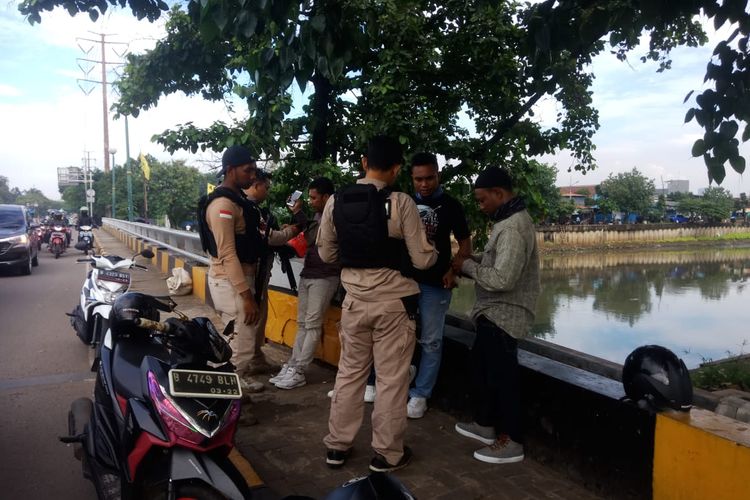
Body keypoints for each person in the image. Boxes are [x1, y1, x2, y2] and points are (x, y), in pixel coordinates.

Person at [318, 136, 437, 473]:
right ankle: (387, 454)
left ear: (363, 162)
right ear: (398, 168)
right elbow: (423, 260)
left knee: (349, 374)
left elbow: (327, 254)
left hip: (354, 302)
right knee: (391, 380)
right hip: (394, 307)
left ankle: (337, 447)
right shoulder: (401, 203)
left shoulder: (335, 202)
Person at [450, 166, 540, 464]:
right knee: (482, 372)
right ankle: (485, 425)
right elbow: (495, 262)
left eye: (481, 199)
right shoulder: (506, 221)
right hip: (491, 314)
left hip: (505, 316)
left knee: (504, 380)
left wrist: (466, 267)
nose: (480, 205)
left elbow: (503, 279)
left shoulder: (513, 226)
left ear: (499, 194)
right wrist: (471, 259)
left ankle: (512, 440)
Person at [198, 145, 299, 397]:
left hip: (242, 278)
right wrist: (246, 297)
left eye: (254, 170)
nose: (252, 176)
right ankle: (232, 401)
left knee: (241, 340)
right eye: (248, 170)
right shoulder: (222, 205)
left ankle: (236, 387)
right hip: (233, 282)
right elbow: (227, 253)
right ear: (230, 170)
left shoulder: (238, 201)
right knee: (240, 346)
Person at [406, 152, 472, 419]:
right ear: (411, 179)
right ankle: (394, 383)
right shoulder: (404, 203)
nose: (424, 184)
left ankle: (421, 394)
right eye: (418, 179)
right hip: (405, 282)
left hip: (435, 284)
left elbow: (466, 244)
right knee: (398, 337)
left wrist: (453, 269)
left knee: (431, 341)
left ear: (438, 175)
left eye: (429, 178)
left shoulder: (451, 205)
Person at [271, 177, 341, 390]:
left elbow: (313, 237)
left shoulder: (335, 215)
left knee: (311, 324)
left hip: (325, 275)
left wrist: (297, 214)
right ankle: (293, 364)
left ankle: (300, 370)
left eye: (313, 197)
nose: (310, 201)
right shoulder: (318, 216)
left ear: (326, 197)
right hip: (309, 274)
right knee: (302, 323)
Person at [242, 171, 307, 377]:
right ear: (256, 185)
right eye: (266, 187)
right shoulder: (248, 209)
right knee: (249, 322)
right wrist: (294, 229)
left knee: (258, 319)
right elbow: (271, 238)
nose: (267, 192)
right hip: (251, 277)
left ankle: (255, 358)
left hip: (257, 274)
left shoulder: (247, 207)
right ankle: (241, 371)